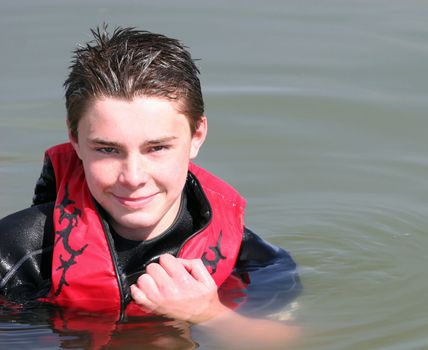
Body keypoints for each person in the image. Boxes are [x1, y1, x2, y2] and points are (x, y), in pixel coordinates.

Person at [0, 26, 300, 347]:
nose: (133, 176)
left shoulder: (249, 257)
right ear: (74, 139)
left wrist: (210, 314)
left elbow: (288, 340)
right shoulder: (17, 256)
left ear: (196, 136)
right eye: (107, 149)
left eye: (157, 148)